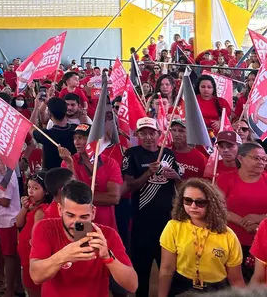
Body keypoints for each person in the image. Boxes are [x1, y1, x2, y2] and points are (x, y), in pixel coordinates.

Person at [29, 180, 138, 297]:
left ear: (93, 212)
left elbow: (132, 285)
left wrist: (108, 257)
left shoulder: (107, 235)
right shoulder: (45, 228)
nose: (77, 223)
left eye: (84, 216)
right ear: (60, 210)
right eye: (70, 215)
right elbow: (36, 276)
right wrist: (64, 255)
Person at [123, 116, 183, 297]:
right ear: (138, 135)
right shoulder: (131, 154)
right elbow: (130, 186)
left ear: (159, 134)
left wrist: (176, 177)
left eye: (152, 133)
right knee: (142, 270)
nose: (149, 137)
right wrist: (148, 173)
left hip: (167, 222)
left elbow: (180, 187)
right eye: (144, 133)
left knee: (169, 268)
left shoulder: (169, 154)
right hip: (142, 221)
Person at [158, 178, 244, 296]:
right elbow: (167, 269)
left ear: (212, 204)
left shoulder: (228, 236)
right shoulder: (173, 227)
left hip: (216, 291)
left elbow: (236, 279)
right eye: (188, 201)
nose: (193, 206)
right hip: (181, 287)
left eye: (200, 202)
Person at [217, 142, 267, 280]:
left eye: (264, 159)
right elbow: (217, 208)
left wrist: (259, 218)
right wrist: (243, 223)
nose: (261, 162)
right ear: (240, 158)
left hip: (262, 245)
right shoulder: (225, 178)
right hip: (231, 241)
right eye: (256, 158)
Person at [58, 124, 122, 228]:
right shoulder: (68, 162)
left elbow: (114, 198)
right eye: (75, 138)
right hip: (80, 225)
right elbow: (72, 195)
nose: (76, 142)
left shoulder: (110, 163)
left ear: (95, 140)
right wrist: (70, 165)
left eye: (82, 138)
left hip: (106, 225)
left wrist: (83, 198)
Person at [16, 172, 51, 297]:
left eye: (36, 188)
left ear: (46, 191)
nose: (31, 191)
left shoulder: (41, 210)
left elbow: (36, 237)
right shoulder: (32, 207)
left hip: (33, 257)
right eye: (29, 187)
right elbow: (18, 223)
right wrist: (24, 208)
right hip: (26, 257)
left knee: (33, 289)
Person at [31, 97, 77, 169]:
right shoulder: (76, 129)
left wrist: (36, 107)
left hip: (53, 176)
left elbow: (30, 127)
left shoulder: (46, 135)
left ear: (49, 113)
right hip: (73, 173)